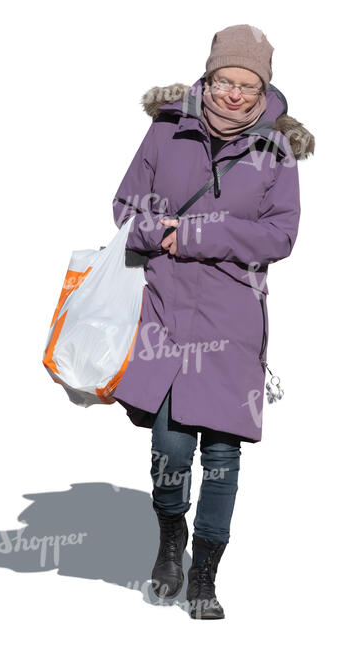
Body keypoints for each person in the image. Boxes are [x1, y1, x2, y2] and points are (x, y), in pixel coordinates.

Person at [111, 24, 314, 620]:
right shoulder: (166, 129)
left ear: (263, 89)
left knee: (223, 456)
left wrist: (192, 234)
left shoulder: (274, 150)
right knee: (170, 445)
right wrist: (158, 233)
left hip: (233, 318)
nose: (233, 94)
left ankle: (205, 573)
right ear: (208, 76)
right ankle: (171, 539)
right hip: (166, 310)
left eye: (246, 85)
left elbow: (281, 234)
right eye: (224, 79)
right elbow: (126, 207)